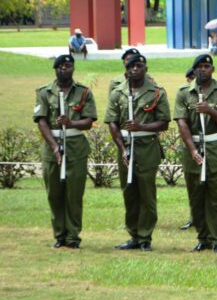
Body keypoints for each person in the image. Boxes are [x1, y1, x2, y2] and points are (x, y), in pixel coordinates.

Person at [104, 54, 170, 251]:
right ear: (126, 70)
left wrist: (142, 126)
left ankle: (145, 237)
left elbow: (164, 122)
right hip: (125, 147)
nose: (135, 69)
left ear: (145, 69)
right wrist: (122, 149)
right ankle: (133, 235)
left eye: (139, 65)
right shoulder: (118, 93)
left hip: (146, 146)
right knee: (129, 192)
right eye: (131, 66)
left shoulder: (156, 92)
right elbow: (112, 123)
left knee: (147, 193)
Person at [34, 54, 97, 249]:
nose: (64, 69)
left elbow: (89, 121)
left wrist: (71, 122)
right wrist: (53, 146)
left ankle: (72, 237)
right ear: (55, 69)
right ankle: (59, 235)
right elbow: (41, 120)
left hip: (75, 147)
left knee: (74, 194)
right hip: (51, 147)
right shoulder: (45, 92)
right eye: (60, 66)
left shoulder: (84, 93)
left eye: (68, 66)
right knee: (54, 193)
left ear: (73, 68)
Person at [174, 54, 217, 253]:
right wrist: (192, 150)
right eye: (199, 66)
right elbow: (182, 123)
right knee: (196, 194)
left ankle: (216, 238)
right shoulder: (185, 93)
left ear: (213, 69)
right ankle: (202, 237)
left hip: (216, 147)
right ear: (194, 71)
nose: (203, 69)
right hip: (194, 147)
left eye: (207, 66)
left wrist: (210, 110)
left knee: (216, 195)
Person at [179, 68, 197, 231]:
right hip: (190, 143)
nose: (193, 79)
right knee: (192, 185)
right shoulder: (184, 94)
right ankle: (194, 216)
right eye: (191, 77)